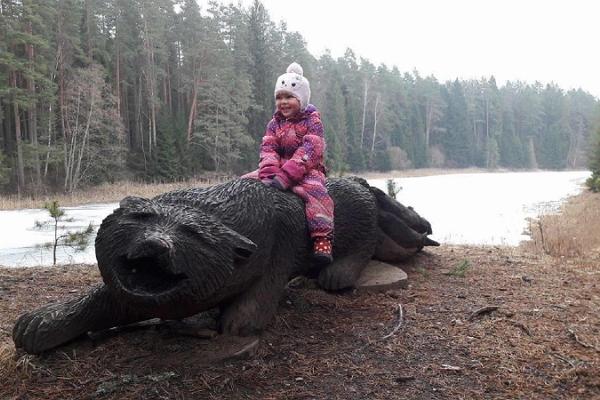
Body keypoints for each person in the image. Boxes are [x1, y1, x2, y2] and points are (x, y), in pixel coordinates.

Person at [243, 62, 334, 264]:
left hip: (307, 169)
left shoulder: (313, 121)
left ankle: (322, 238)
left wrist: (287, 174)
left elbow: (311, 150)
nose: (283, 102)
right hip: (279, 168)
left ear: (301, 99)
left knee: (317, 195)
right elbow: (269, 149)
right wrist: (268, 173)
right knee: (244, 182)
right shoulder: (273, 124)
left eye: (289, 97)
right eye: (279, 97)